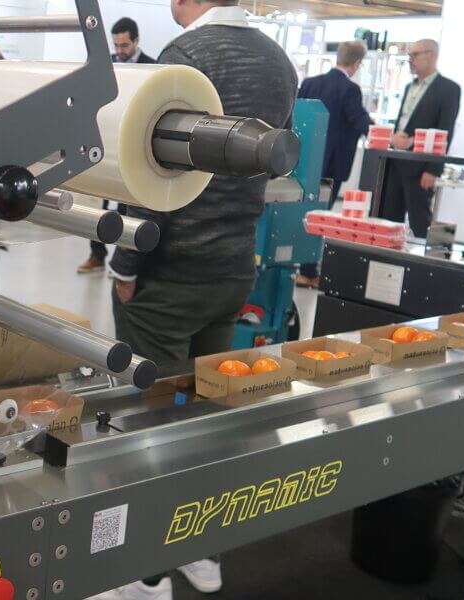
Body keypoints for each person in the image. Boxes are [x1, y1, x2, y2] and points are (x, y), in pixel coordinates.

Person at [97, 2, 297, 597]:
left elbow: (148, 173)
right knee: (206, 414)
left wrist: (126, 262)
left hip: (170, 274)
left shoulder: (185, 57)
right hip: (232, 266)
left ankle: (145, 572)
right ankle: (202, 552)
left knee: (150, 417)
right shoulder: (279, 62)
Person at [295, 40, 375, 287]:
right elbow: (360, 121)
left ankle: (297, 267)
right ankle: (309, 271)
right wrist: (387, 137)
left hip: (304, 160)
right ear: (357, 63)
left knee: (300, 211)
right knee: (321, 216)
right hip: (332, 166)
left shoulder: (310, 83)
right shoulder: (350, 89)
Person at [77, 17, 152, 274]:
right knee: (97, 204)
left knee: (127, 208)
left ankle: (121, 262)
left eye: (124, 45)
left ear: (136, 40)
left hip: (133, 148)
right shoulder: (104, 64)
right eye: (116, 45)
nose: (119, 50)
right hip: (104, 142)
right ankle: (96, 255)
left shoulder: (152, 67)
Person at [381, 39, 461, 238]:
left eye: (415, 54)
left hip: (420, 166)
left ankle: (431, 257)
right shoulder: (409, 87)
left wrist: (434, 169)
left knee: (420, 221)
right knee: (389, 220)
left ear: (432, 55)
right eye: (410, 55)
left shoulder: (449, 89)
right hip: (396, 161)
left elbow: (445, 130)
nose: (411, 59)